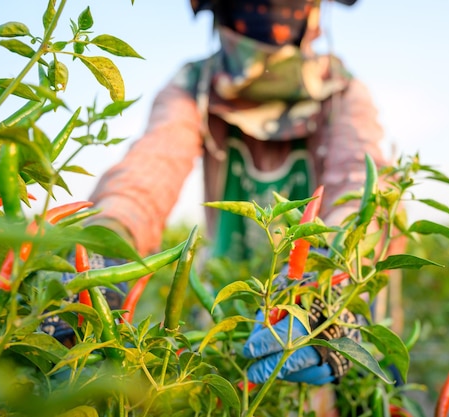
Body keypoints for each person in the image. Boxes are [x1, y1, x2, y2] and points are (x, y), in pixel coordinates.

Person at [50, 0, 400, 413]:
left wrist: (333, 287)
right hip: (229, 304)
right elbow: (147, 173)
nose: (269, 22)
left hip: (319, 301)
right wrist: (103, 245)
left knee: (354, 395)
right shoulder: (194, 87)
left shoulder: (341, 91)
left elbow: (361, 184)